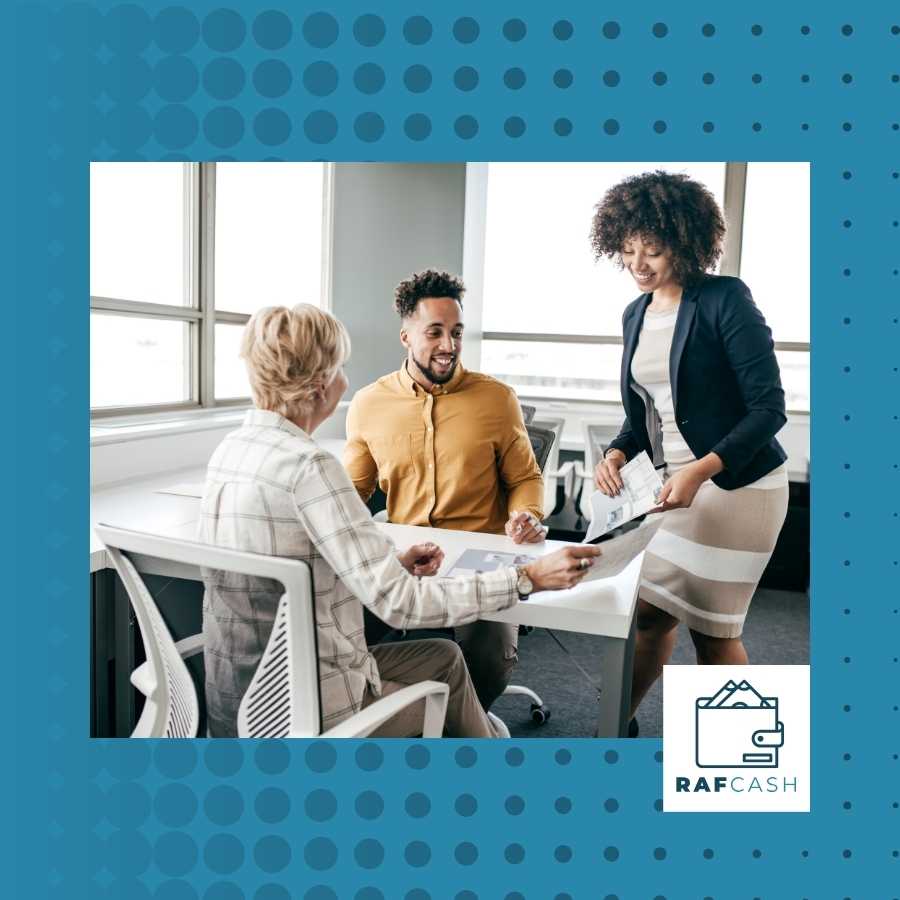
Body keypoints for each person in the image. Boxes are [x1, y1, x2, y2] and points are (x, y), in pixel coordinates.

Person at [199, 303, 600, 738]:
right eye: (340, 367)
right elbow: (402, 603)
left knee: (446, 658)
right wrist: (527, 579)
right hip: (314, 706)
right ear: (319, 386)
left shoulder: (230, 452)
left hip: (238, 702)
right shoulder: (311, 467)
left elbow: (298, 555)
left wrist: (391, 561)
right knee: (448, 687)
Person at [589, 170, 789, 729]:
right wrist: (614, 454)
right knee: (650, 616)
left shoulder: (725, 300)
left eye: (652, 249)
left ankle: (746, 767)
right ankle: (612, 729)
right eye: (627, 250)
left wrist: (699, 471)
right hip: (676, 492)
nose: (638, 264)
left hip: (736, 490)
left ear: (684, 240)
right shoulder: (636, 314)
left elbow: (770, 409)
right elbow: (647, 413)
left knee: (713, 632)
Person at [343, 270, 545, 710]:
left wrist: (526, 514)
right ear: (406, 336)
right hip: (407, 560)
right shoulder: (368, 404)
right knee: (342, 635)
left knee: (489, 661)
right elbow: (351, 495)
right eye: (434, 332)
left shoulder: (496, 400)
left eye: (455, 332)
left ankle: (466, 735)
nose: (449, 345)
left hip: (482, 559)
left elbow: (525, 478)